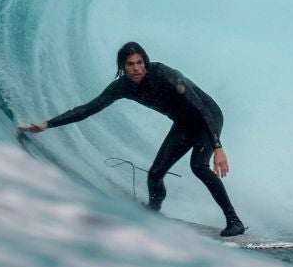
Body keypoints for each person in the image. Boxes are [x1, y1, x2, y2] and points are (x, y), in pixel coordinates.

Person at [19, 41, 245, 237]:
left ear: (145, 62)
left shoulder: (165, 75)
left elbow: (199, 107)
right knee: (155, 174)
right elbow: (88, 109)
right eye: (130, 64)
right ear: (122, 66)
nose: (136, 68)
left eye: (139, 63)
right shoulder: (122, 87)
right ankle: (153, 211)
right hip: (184, 123)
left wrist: (217, 147)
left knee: (198, 166)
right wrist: (47, 124)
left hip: (207, 116)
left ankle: (234, 221)